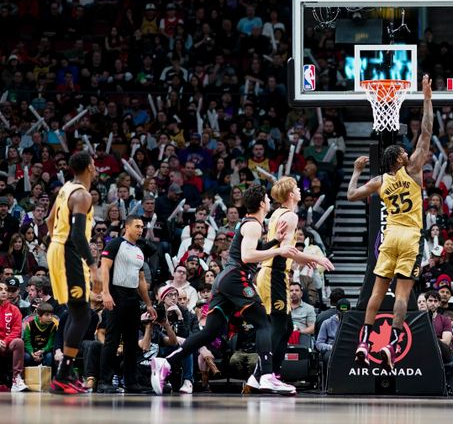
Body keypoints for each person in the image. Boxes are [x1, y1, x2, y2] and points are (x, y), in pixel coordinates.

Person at [149, 184, 302, 395]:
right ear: (260, 203)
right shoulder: (253, 225)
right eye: (266, 198)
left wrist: (275, 242)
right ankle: (267, 375)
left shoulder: (249, 224)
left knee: (210, 332)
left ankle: (166, 362)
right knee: (263, 322)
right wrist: (281, 249)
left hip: (225, 280)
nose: (269, 201)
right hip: (236, 278)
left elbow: (250, 251)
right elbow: (248, 257)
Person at [347, 74, 432, 369]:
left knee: (376, 292)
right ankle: (392, 344)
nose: (408, 152)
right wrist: (427, 98)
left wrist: (357, 170)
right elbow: (427, 133)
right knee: (402, 294)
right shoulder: (415, 170)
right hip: (410, 236)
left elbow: (351, 195)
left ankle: (364, 340)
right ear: (398, 159)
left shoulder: (379, 180)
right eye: (403, 152)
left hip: (389, 234)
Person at [255, 177, 334, 381]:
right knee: (279, 326)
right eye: (297, 188)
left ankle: (272, 373)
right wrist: (316, 257)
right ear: (291, 195)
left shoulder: (277, 214)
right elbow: (287, 252)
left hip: (275, 272)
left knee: (286, 327)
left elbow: (286, 250)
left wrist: (304, 258)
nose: (300, 190)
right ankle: (265, 373)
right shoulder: (289, 216)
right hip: (274, 272)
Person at [45, 151, 101, 394]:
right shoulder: (82, 195)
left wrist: (54, 242)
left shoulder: (66, 188)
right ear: (89, 167)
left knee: (78, 310)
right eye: (95, 164)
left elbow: (48, 220)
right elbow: (78, 235)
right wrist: (93, 266)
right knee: (82, 313)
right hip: (69, 253)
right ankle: (63, 375)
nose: (96, 168)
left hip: (57, 249)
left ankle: (64, 374)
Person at [97, 214, 156, 393]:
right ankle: (104, 382)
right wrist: (105, 293)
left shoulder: (139, 251)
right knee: (112, 339)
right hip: (116, 293)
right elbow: (104, 268)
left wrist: (148, 304)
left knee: (131, 342)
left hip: (132, 298)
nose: (140, 230)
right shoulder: (115, 244)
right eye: (137, 226)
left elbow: (140, 280)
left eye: (142, 227)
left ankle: (131, 382)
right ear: (127, 227)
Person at [0, 281, 27, 391]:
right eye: (0, 289)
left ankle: (16, 379)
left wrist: (4, 342)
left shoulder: (14, 310)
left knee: (19, 342)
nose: (3, 292)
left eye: (5, 290)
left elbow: (17, 330)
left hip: (8, 344)